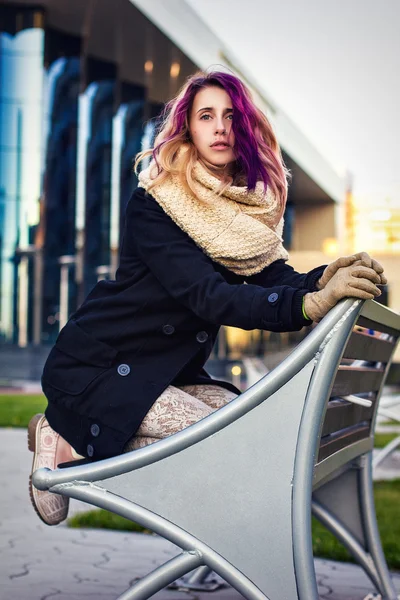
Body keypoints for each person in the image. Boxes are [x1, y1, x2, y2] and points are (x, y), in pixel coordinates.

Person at [28, 69, 386, 526]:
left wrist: (321, 280)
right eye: (206, 116)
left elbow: (273, 277)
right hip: (99, 366)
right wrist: (306, 306)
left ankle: (209, 542)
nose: (220, 127)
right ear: (188, 130)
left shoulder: (240, 212)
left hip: (161, 374)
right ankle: (66, 433)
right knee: (223, 440)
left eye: (232, 116)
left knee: (247, 432)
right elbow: (209, 296)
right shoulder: (157, 203)